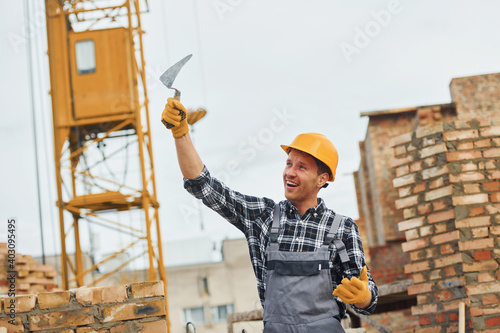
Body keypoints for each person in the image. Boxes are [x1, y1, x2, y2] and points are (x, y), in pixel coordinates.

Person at [162, 98, 378, 332]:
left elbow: (368, 299)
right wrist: (181, 133)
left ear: (322, 179)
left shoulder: (342, 228)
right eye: (288, 163)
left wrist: (363, 296)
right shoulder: (263, 218)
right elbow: (204, 186)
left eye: (301, 167)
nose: (290, 173)